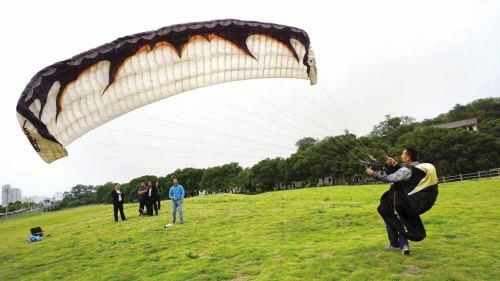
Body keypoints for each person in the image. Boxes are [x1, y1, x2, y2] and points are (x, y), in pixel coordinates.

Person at [366, 148, 438, 255]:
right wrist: (394, 164)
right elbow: (404, 172)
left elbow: (389, 178)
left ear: (408, 157)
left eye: (403, 154)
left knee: (391, 217)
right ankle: (403, 245)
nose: (401, 155)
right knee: (403, 220)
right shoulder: (416, 167)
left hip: (400, 201)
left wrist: (372, 173)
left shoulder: (407, 170)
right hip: (409, 202)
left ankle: (395, 243)